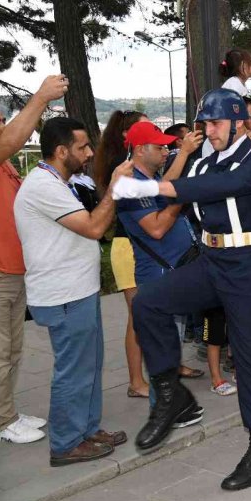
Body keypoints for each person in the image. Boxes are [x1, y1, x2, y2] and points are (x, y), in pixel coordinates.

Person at [114, 89, 251, 491]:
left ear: (239, 122)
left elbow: (222, 186)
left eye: (216, 123)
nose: (209, 130)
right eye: (205, 123)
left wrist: (148, 189)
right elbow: (186, 186)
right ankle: (172, 393)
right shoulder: (203, 160)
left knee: (250, 358)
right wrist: (141, 184)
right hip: (211, 260)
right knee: (148, 303)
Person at [14, 117, 131, 465]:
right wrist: (113, 188)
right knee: (74, 370)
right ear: (61, 150)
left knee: (89, 365)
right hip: (63, 295)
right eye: (82, 147)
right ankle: (65, 443)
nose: (89, 153)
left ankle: (87, 429)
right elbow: (94, 227)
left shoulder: (59, 182)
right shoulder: (43, 186)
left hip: (78, 290)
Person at [115, 122, 208, 423]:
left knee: (170, 343)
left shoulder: (146, 178)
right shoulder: (129, 184)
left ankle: (173, 405)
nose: (166, 150)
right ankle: (164, 409)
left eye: (168, 145)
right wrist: (181, 197)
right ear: (140, 149)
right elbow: (155, 227)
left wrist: (183, 154)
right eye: (160, 146)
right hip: (158, 274)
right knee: (163, 345)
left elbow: (165, 186)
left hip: (171, 271)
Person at [0, 75, 67, 444]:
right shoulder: (3, 152)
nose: (2, 126)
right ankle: (2, 420)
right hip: (0, 274)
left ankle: (5, 411)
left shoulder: (5, 164)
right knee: (0, 350)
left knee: (11, 349)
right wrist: (41, 97)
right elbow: (12, 140)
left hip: (12, 270)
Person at [93, 109, 154, 399]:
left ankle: (164, 368)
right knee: (138, 317)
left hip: (139, 246)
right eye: (145, 129)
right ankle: (135, 381)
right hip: (127, 248)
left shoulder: (132, 164)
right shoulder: (124, 167)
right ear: (128, 135)